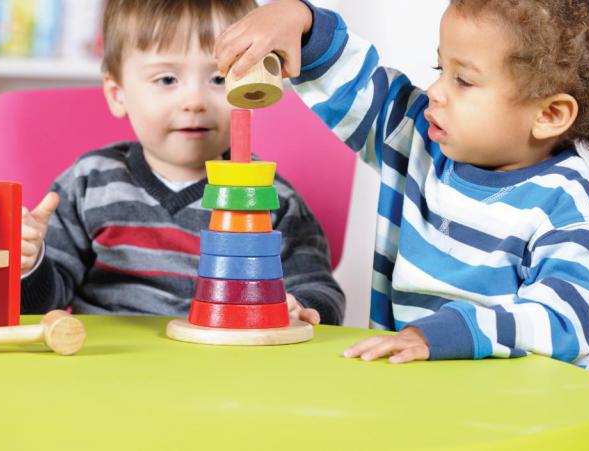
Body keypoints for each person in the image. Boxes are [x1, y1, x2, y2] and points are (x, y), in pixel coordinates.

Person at [215, 0, 589, 366]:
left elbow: (572, 316)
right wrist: (302, 22)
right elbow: (356, 87)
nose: (436, 90)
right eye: (440, 68)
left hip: (517, 415)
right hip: (418, 398)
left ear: (548, 115)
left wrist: (453, 333)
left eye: (463, 80)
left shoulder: (570, 211)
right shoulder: (419, 138)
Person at [19, 0, 345, 326]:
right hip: (109, 368)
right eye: (167, 80)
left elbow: (319, 289)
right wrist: (30, 265)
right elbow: (43, 303)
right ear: (118, 93)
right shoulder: (89, 183)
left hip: (225, 368)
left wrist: (303, 307)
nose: (194, 102)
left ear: (251, 88)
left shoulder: (267, 195)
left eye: (219, 80)